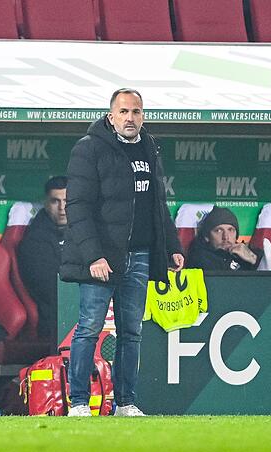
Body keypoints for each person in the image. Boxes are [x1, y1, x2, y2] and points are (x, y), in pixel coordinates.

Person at [61, 88, 184, 417]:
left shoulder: (149, 147)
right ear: (111, 116)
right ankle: (78, 403)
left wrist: (172, 247)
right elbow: (78, 208)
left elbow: (158, 205)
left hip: (140, 255)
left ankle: (126, 403)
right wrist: (93, 257)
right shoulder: (89, 149)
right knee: (89, 327)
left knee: (132, 332)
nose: (131, 118)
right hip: (103, 257)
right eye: (125, 112)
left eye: (137, 112)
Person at [17, 176, 68, 340]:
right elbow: (47, 287)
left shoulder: (85, 230)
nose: (62, 208)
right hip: (56, 315)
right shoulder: (34, 238)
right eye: (55, 201)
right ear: (46, 203)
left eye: (67, 200)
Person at [186, 207, 263, 271]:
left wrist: (253, 259)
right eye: (218, 231)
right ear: (207, 237)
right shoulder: (199, 258)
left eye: (230, 230)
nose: (226, 237)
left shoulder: (246, 253)